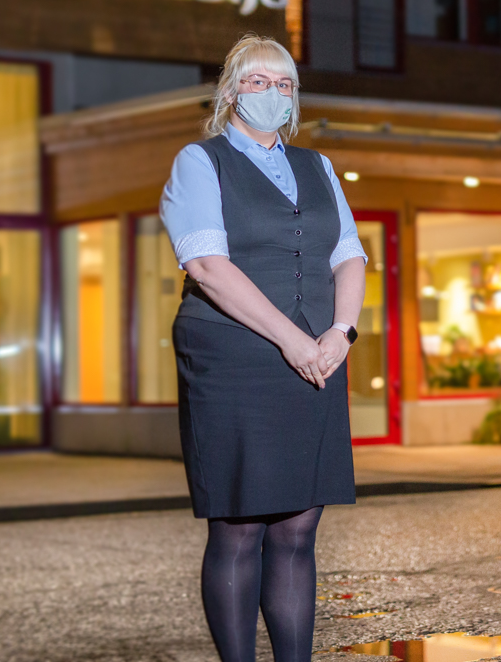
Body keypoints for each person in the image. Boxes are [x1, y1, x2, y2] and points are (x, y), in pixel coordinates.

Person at [160, 34, 368, 662]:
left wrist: (341, 333)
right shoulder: (200, 161)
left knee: (300, 526)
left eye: (284, 85)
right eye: (257, 81)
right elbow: (205, 263)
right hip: (234, 358)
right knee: (240, 526)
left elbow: (350, 255)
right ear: (229, 93)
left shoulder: (319, 167)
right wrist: (294, 341)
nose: (271, 94)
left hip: (316, 358)